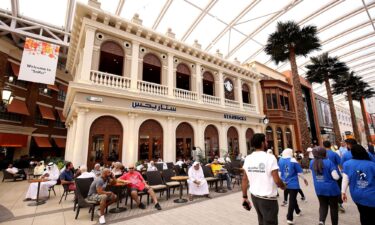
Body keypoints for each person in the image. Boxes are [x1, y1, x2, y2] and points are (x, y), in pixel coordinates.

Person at [242, 133, 286, 225]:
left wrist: (245, 197)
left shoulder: (248, 158)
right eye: (266, 141)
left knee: (261, 221)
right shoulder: (270, 157)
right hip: (268, 199)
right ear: (262, 143)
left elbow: (245, 179)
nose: (267, 143)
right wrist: (283, 186)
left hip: (255, 197)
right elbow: (277, 180)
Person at [342, 144, 375, 225]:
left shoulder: (347, 164)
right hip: (371, 196)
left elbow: (345, 179)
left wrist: (343, 192)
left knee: (363, 215)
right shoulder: (372, 165)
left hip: (357, 196)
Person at [310, 147, 340, 225]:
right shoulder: (329, 162)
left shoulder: (312, 162)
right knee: (334, 208)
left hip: (319, 188)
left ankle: (321, 221)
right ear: (324, 153)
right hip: (331, 189)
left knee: (323, 205)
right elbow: (335, 177)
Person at [278, 148, 308, 224]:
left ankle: (297, 211)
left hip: (284, 183)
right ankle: (289, 217)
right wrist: (305, 179)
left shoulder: (280, 160)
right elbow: (299, 173)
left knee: (293, 198)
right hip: (293, 183)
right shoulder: (293, 160)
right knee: (292, 200)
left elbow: (279, 172)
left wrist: (279, 182)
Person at [323, 140, 345, 212]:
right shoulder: (334, 154)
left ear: (323, 146)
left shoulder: (322, 154)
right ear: (330, 146)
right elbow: (340, 164)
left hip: (326, 175)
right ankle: (339, 204)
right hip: (336, 174)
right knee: (339, 189)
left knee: (328, 189)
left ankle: (331, 203)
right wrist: (342, 171)